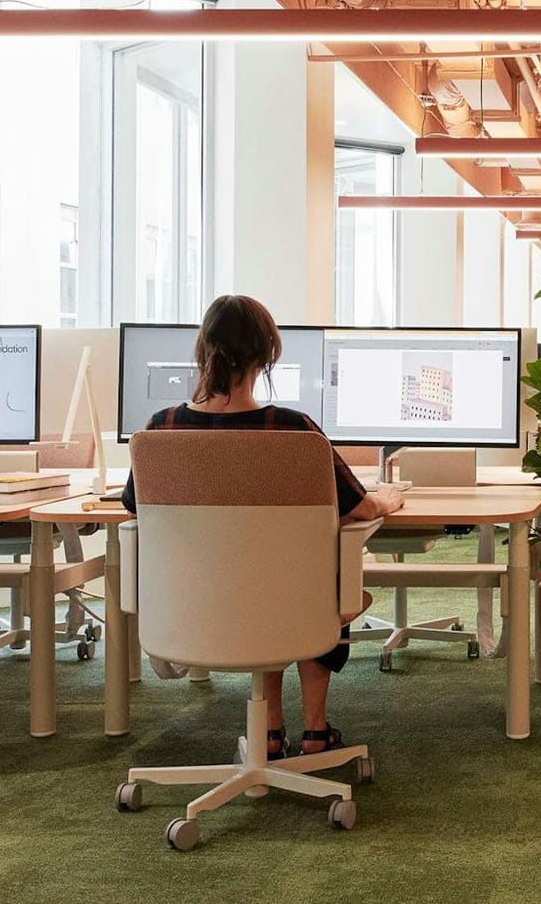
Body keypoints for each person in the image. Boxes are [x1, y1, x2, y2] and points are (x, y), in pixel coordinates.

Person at [121, 294, 404, 759]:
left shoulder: (160, 430)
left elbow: (135, 509)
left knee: (266, 581)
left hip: (192, 608)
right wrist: (387, 499)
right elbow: (356, 507)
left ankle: (269, 735)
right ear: (269, 354)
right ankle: (314, 733)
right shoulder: (293, 431)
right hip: (284, 606)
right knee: (305, 581)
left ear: (202, 349)